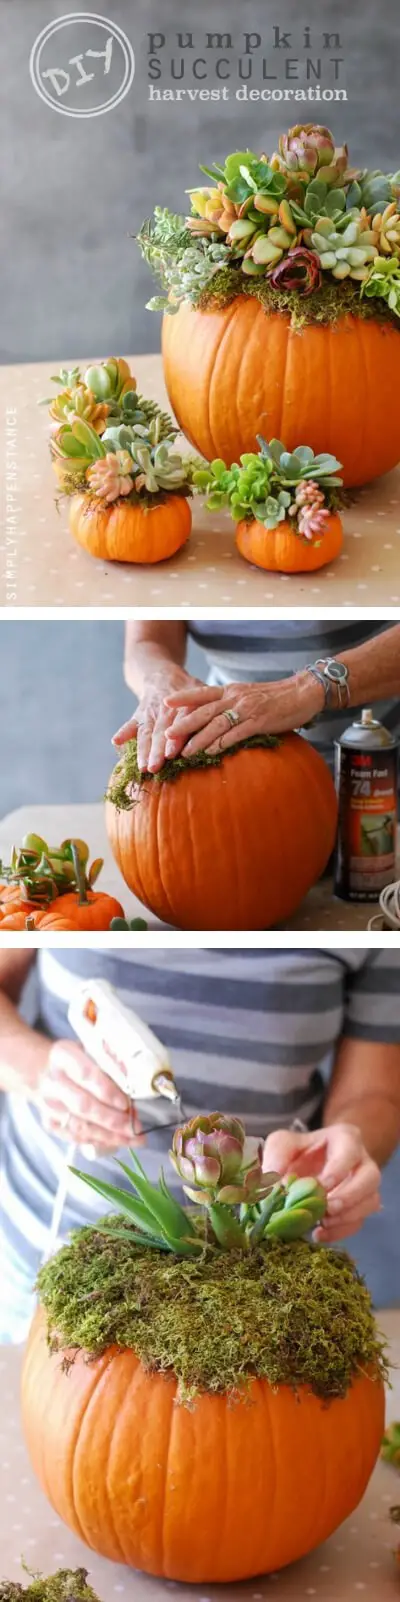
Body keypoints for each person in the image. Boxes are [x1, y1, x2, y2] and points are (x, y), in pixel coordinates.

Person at [1, 946, 399, 1341]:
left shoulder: (373, 913)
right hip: (42, 1245)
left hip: (250, 1289)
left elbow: (374, 1092)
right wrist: (38, 1071)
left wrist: (349, 1142)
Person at [112, 621, 400, 777]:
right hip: (240, 774)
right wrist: (160, 680)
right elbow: (148, 640)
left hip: (383, 769)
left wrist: (309, 688)